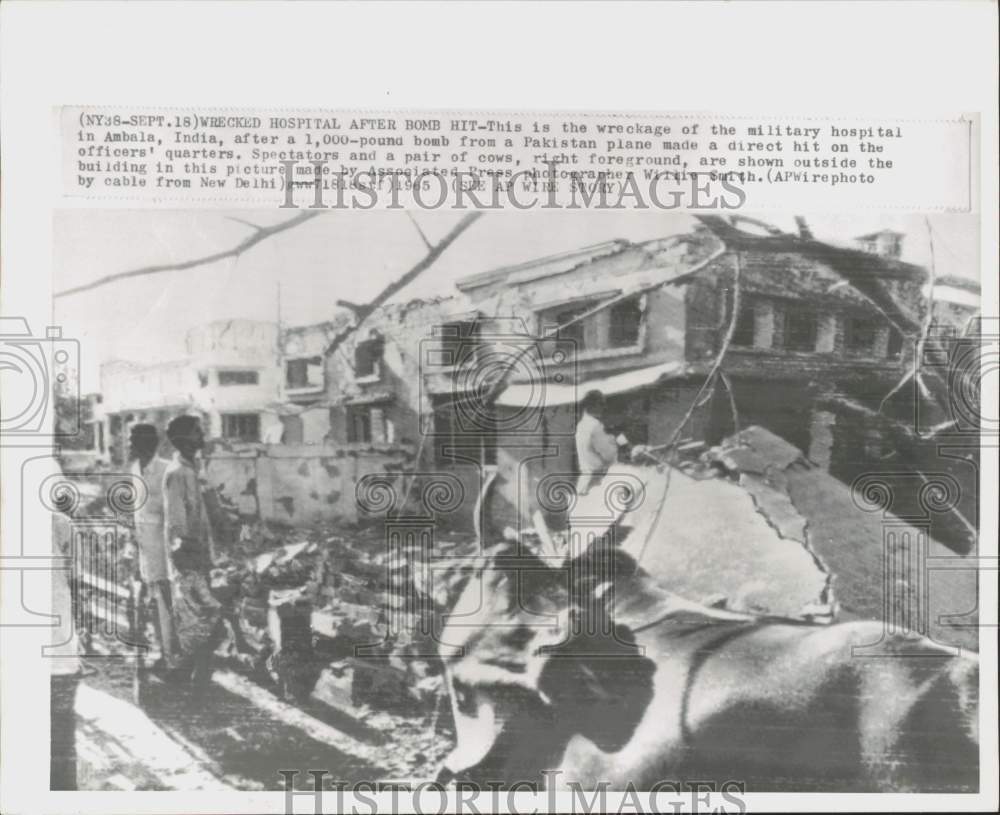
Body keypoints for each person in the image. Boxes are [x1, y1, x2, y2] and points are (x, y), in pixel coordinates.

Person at [163, 415, 223, 685]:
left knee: (204, 621)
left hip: (200, 557)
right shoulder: (177, 473)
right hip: (189, 559)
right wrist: (189, 559)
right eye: (197, 433)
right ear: (184, 439)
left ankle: (197, 680)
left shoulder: (194, 470)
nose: (202, 438)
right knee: (196, 622)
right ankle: (188, 681)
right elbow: (177, 523)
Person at [128, 423, 176, 669]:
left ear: (149, 444)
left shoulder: (167, 470)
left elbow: (172, 516)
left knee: (169, 602)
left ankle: (172, 657)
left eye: (133, 440)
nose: (129, 444)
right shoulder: (135, 469)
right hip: (145, 548)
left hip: (165, 549)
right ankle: (163, 651)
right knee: (154, 604)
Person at [574, 390, 625, 496]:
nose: (604, 407)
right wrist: (618, 442)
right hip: (596, 484)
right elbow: (609, 456)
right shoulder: (596, 426)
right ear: (592, 405)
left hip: (584, 482)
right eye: (601, 404)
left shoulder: (581, 425)